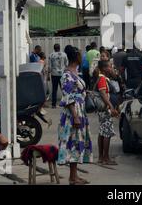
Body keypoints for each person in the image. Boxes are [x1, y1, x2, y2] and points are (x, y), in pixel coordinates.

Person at [57, 46, 92, 185]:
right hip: (72, 114)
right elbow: (68, 96)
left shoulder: (75, 73)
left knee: (77, 143)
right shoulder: (67, 75)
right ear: (76, 56)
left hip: (79, 110)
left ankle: (74, 176)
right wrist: (75, 116)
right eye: (80, 55)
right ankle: (72, 178)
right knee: (72, 142)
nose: (82, 57)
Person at [95, 60, 119, 165]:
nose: (111, 68)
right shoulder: (102, 79)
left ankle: (101, 157)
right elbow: (103, 94)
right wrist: (111, 106)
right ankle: (106, 157)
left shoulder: (101, 78)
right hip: (104, 109)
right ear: (104, 68)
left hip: (102, 109)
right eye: (110, 67)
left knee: (102, 132)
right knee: (107, 133)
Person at [49, 44, 69, 108]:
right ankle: (65, 103)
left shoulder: (51, 55)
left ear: (54, 48)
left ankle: (53, 105)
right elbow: (67, 64)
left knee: (54, 89)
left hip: (54, 74)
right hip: (62, 74)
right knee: (63, 89)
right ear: (59, 48)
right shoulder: (64, 54)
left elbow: (49, 66)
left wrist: (48, 74)